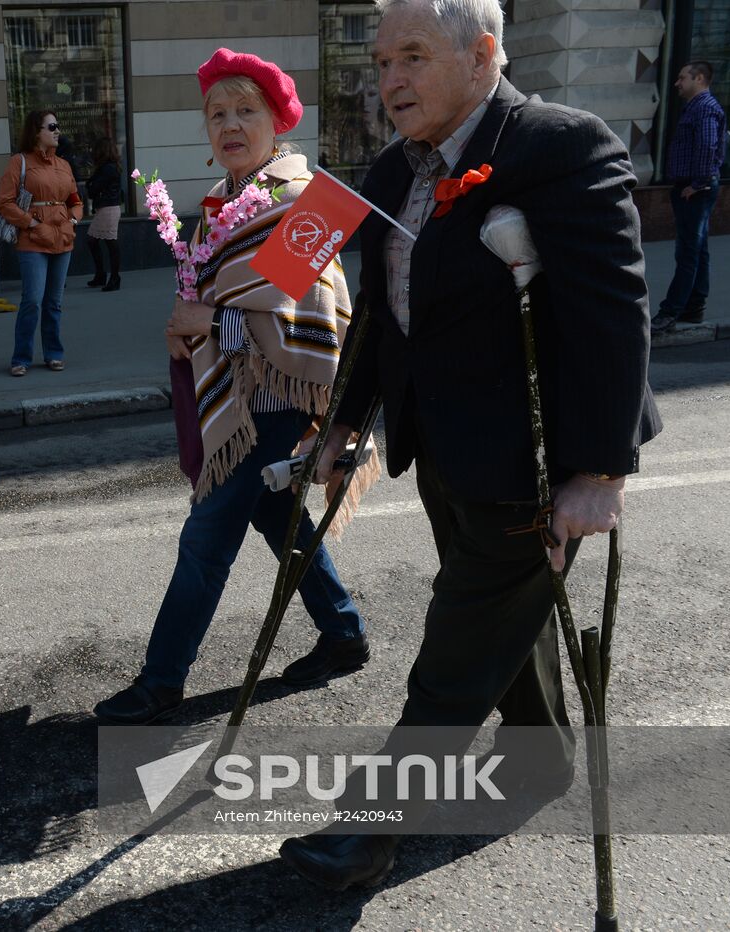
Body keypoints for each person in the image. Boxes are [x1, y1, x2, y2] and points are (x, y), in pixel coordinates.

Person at [277, 0, 661, 890]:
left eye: (413, 56)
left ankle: (366, 830)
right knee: (503, 622)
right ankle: (540, 759)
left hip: (536, 454)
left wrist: (600, 469)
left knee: (456, 646)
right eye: (380, 63)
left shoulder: (560, 144)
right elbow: (381, 315)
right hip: (447, 447)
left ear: (483, 53)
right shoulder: (389, 168)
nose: (391, 80)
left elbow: (613, 312)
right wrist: (344, 420)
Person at [93, 48, 369, 725]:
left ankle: (162, 680)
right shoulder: (221, 207)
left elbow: (314, 323)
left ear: (279, 121)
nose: (231, 124)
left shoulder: (306, 203)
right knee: (280, 519)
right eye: (217, 113)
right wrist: (190, 332)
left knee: (205, 541)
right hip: (241, 401)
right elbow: (230, 307)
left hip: (275, 404)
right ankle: (343, 634)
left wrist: (208, 320)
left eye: (247, 110)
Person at [0, 111, 82, 377]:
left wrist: (72, 223)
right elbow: (4, 203)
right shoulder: (19, 162)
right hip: (32, 241)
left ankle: (53, 353)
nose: (57, 131)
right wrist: (32, 224)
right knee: (32, 300)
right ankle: (21, 357)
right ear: (36, 131)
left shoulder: (64, 166)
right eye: (52, 126)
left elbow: (76, 202)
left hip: (63, 238)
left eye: (58, 126)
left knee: (54, 302)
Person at [651, 60, 727, 334]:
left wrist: (698, 184)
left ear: (700, 79)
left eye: (683, 78)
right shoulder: (697, 107)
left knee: (688, 253)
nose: (677, 83)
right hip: (694, 188)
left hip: (694, 191)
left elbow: (708, 145)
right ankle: (695, 307)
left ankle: (669, 313)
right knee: (698, 250)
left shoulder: (705, 107)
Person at [85, 138, 123, 291]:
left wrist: (90, 185)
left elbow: (93, 189)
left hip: (108, 209)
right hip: (107, 208)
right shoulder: (109, 167)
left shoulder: (108, 168)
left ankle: (112, 278)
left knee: (109, 243)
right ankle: (103, 275)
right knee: (95, 241)